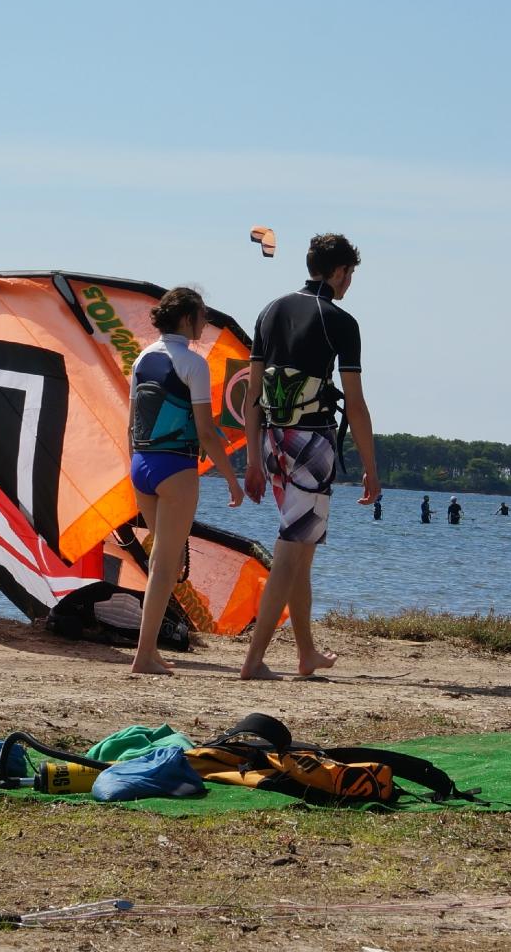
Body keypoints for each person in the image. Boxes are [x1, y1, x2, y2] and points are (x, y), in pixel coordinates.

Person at [240, 233, 378, 679]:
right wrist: (370, 468)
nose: (350, 282)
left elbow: (252, 395)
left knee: (302, 551)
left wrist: (253, 459)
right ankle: (254, 659)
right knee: (290, 551)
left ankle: (306, 654)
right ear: (339, 272)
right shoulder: (339, 320)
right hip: (310, 444)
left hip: (272, 441)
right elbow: (354, 404)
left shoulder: (269, 309)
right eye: (350, 274)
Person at [126, 286, 245, 675]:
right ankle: (144, 655)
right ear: (187, 319)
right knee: (164, 563)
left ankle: (150, 650)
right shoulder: (193, 364)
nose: (204, 323)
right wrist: (231, 479)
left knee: (167, 558)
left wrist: (139, 463)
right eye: (202, 316)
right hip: (175, 468)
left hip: (141, 465)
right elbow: (206, 432)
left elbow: (133, 424)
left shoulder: (142, 359)